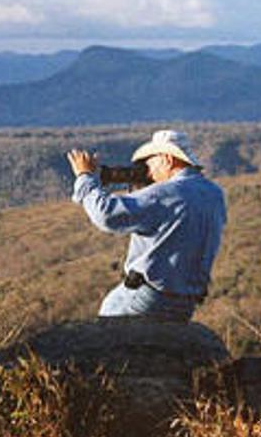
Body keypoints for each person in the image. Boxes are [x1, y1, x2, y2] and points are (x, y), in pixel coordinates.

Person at [68, 129, 226, 322]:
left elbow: (106, 215)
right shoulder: (214, 194)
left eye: (149, 162)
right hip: (186, 304)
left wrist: (85, 178)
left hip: (148, 299)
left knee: (106, 323)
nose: (147, 171)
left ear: (167, 159)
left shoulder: (167, 193)